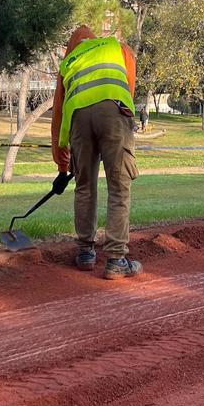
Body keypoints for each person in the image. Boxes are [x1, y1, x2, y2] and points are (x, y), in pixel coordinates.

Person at [51, 25, 141, 279]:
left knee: (84, 186)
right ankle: (116, 260)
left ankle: (85, 253)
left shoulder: (69, 61)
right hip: (113, 112)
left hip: (79, 121)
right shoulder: (117, 48)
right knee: (118, 186)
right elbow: (128, 90)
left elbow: (57, 116)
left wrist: (61, 168)